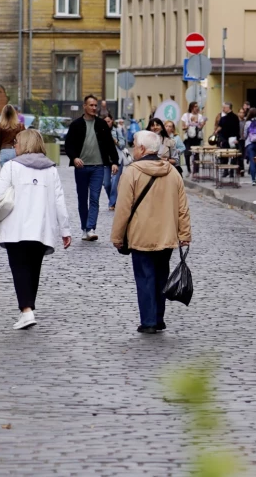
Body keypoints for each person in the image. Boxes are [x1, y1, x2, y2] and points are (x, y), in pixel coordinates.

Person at [0, 129, 71, 330]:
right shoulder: (51, 169)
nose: (14, 145)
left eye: (16, 142)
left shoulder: (11, 167)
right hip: (42, 229)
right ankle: (28, 309)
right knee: (33, 270)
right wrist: (65, 231)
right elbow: (59, 201)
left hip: (16, 228)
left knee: (20, 269)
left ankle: (26, 311)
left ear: (24, 144)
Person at [111, 130, 191, 334]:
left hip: (141, 236)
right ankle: (158, 318)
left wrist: (117, 237)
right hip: (166, 236)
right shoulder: (172, 172)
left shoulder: (132, 172)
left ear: (143, 149)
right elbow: (183, 207)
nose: (133, 149)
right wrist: (184, 235)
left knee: (145, 277)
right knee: (161, 276)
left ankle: (148, 321)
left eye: (135, 145)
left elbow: (123, 208)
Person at [65, 94, 120, 242]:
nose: (94, 108)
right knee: (83, 199)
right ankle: (84, 227)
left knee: (94, 198)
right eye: (91, 105)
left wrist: (114, 161)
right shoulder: (76, 125)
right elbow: (68, 145)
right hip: (81, 167)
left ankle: (91, 228)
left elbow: (109, 145)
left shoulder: (101, 124)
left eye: (96, 105)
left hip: (98, 167)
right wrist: (74, 158)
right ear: (84, 106)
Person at [109, 118, 132, 212]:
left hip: (118, 159)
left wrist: (116, 141)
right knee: (106, 183)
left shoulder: (118, 130)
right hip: (105, 160)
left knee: (115, 181)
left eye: (109, 121)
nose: (107, 123)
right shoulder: (99, 130)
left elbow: (123, 145)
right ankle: (112, 198)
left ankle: (113, 202)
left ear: (112, 121)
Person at [0, 105, 25, 170]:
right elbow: (24, 140)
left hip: (4, 151)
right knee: (16, 175)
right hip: (16, 152)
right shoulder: (20, 126)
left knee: (6, 175)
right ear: (14, 113)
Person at [180, 101, 206, 174]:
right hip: (188, 138)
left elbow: (200, 127)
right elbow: (183, 127)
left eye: (197, 106)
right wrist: (189, 125)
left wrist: (202, 124)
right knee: (187, 153)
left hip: (197, 137)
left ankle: (196, 170)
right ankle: (188, 169)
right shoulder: (186, 115)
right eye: (195, 106)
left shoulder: (200, 116)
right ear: (191, 107)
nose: (197, 108)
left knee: (196, 154)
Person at [216, 103, 241, 177]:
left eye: (224, 107)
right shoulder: (229, 117)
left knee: (228, 155)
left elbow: (237, 129)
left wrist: (237, 138)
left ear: (228, 108)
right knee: (229, 155)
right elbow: (220, 127)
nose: (223, 109)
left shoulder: (232, 118)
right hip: (228, 139)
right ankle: (228, 171)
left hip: (229, 139)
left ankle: (228, 171)